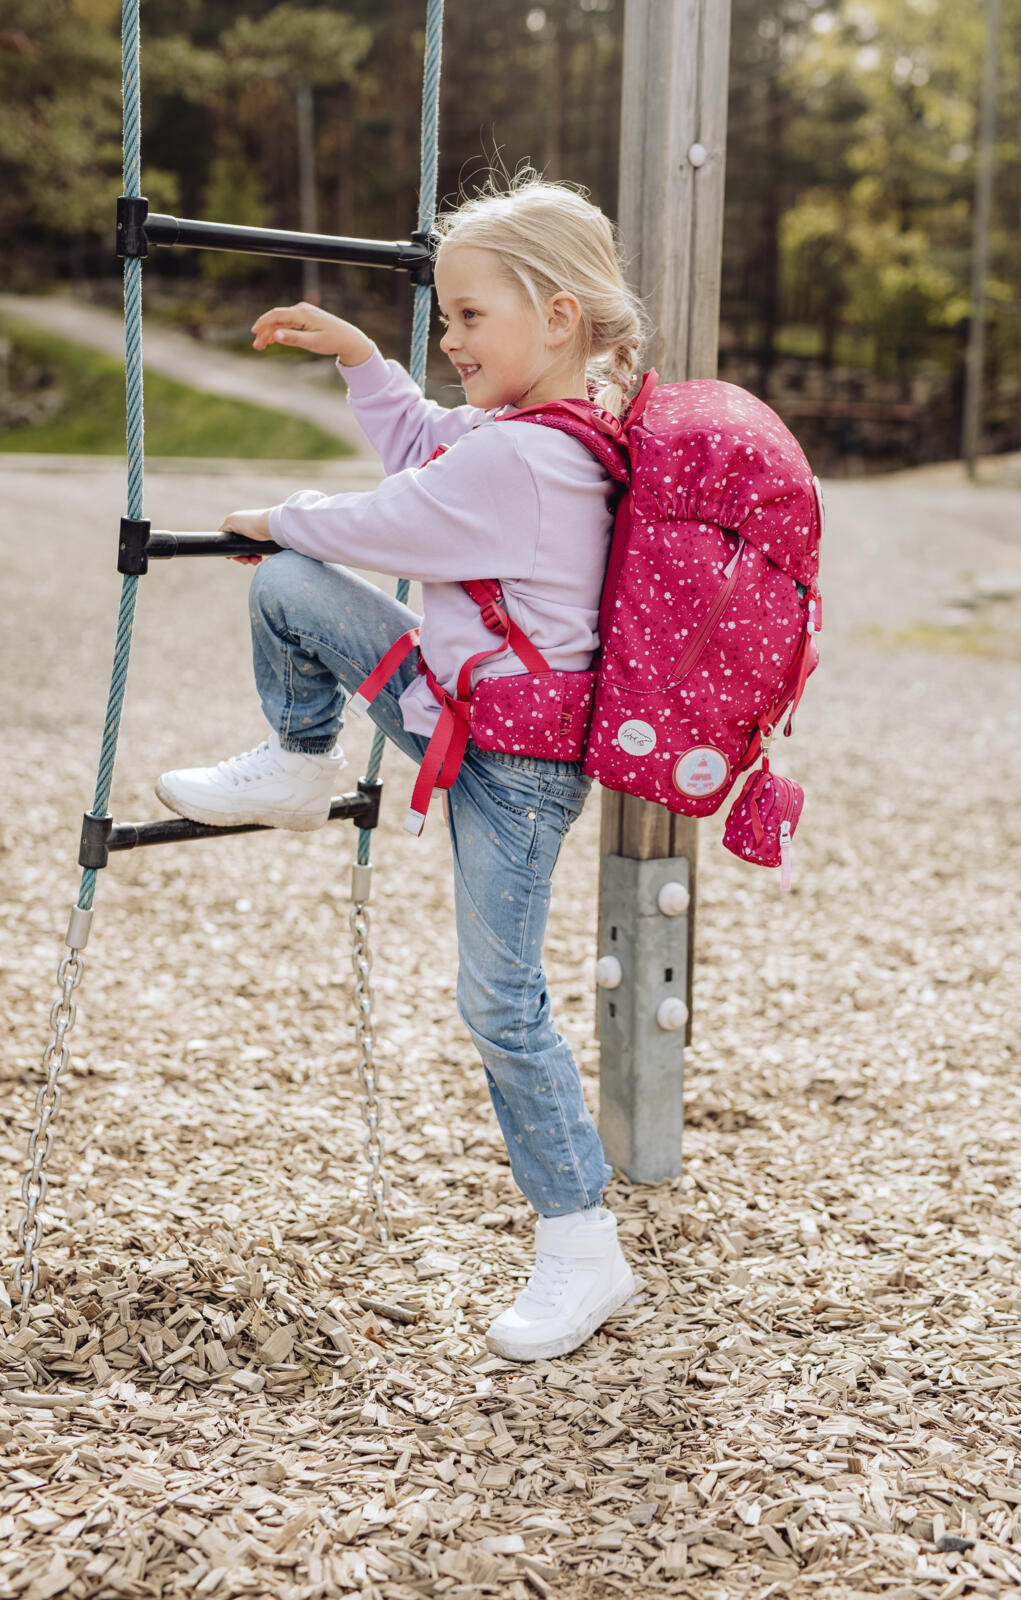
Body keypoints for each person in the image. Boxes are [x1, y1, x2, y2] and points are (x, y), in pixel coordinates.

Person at [156, 176, 646, 1362]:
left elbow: (389, 516)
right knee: (290, 588)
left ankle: (583, 1250)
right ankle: (298, 758)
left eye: (472, 317)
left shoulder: (526, 464)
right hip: (459, 717)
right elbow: (429, 443)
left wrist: (279, 514)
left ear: (560, 317)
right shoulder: (539, 436)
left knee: (499, 1001)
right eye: (445, 319)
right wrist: (365, 363)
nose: (453, 339)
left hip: (512, 768)